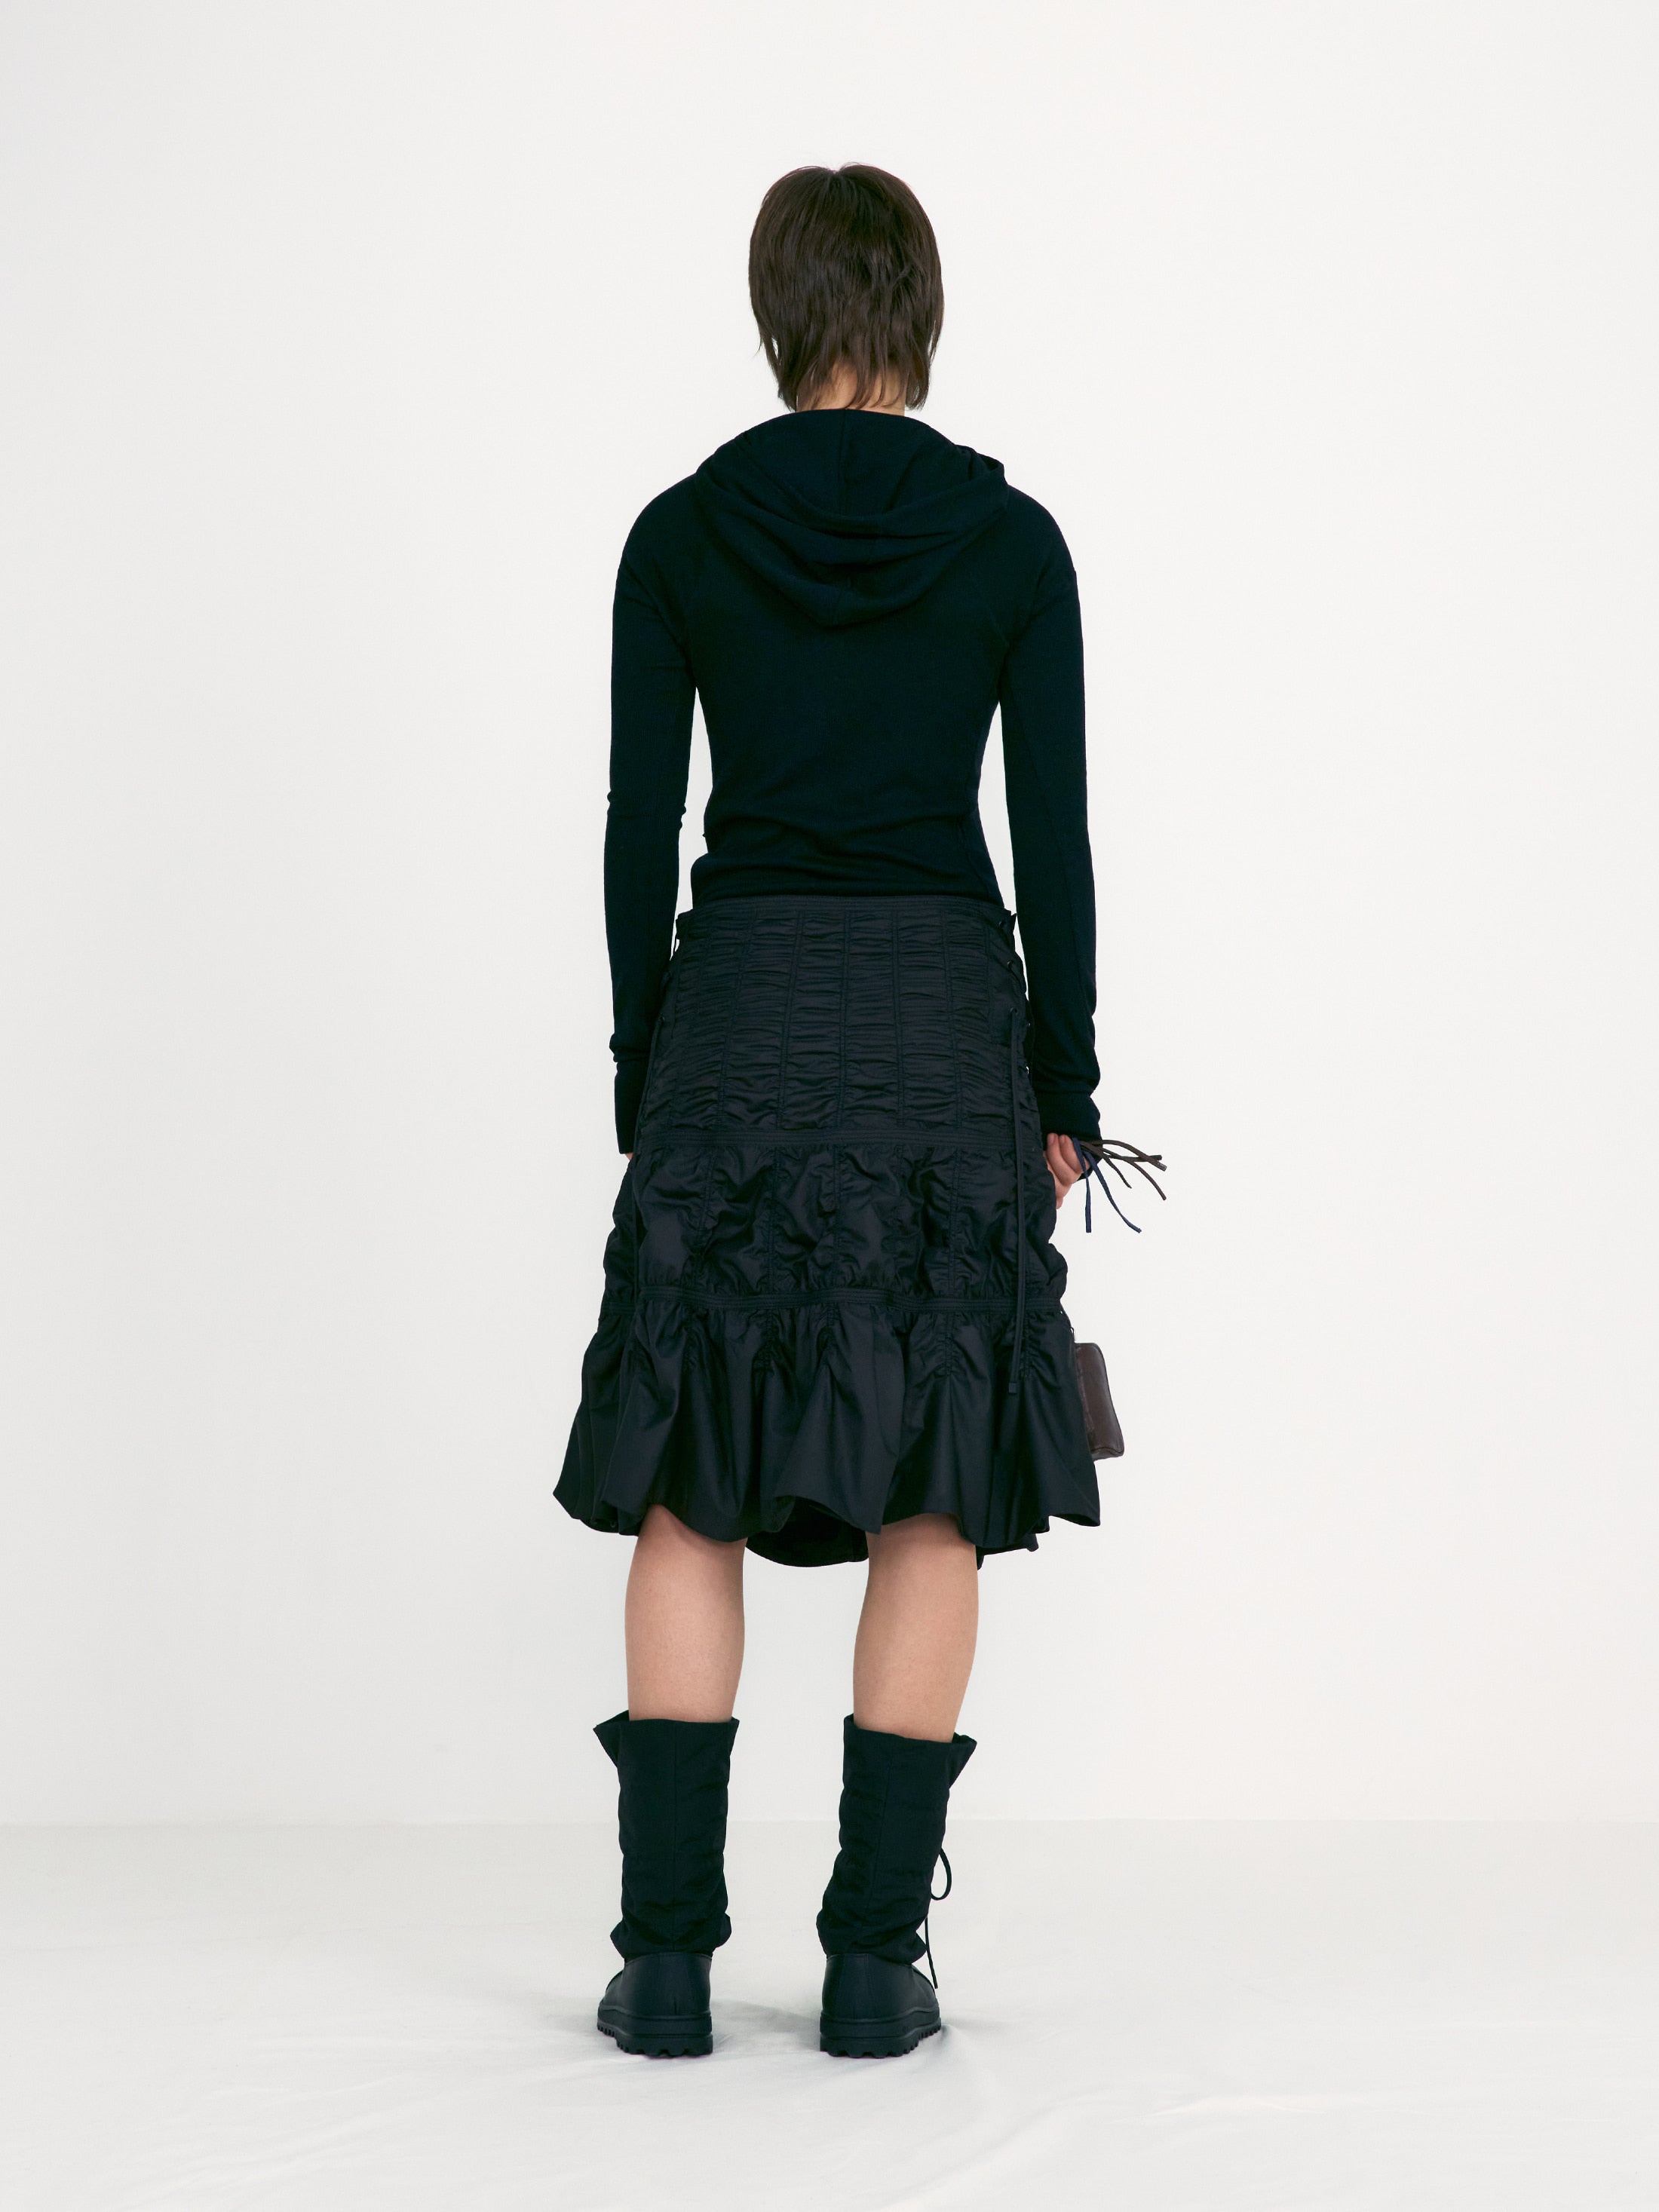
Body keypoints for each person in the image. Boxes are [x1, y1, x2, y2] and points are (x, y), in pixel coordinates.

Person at [557, 163, 1127, 2060]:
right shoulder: (1012, 543)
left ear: (775, 315)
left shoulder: (679, 534)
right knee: (935, 1474)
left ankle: (663, 1964)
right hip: (940, 1022)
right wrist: (1065, 1084)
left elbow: (639, 831)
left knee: (685, 1468)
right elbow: (1051, 840)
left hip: (740, 1012)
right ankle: (874, 1968)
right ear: (920, 313)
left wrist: (646, 1066)